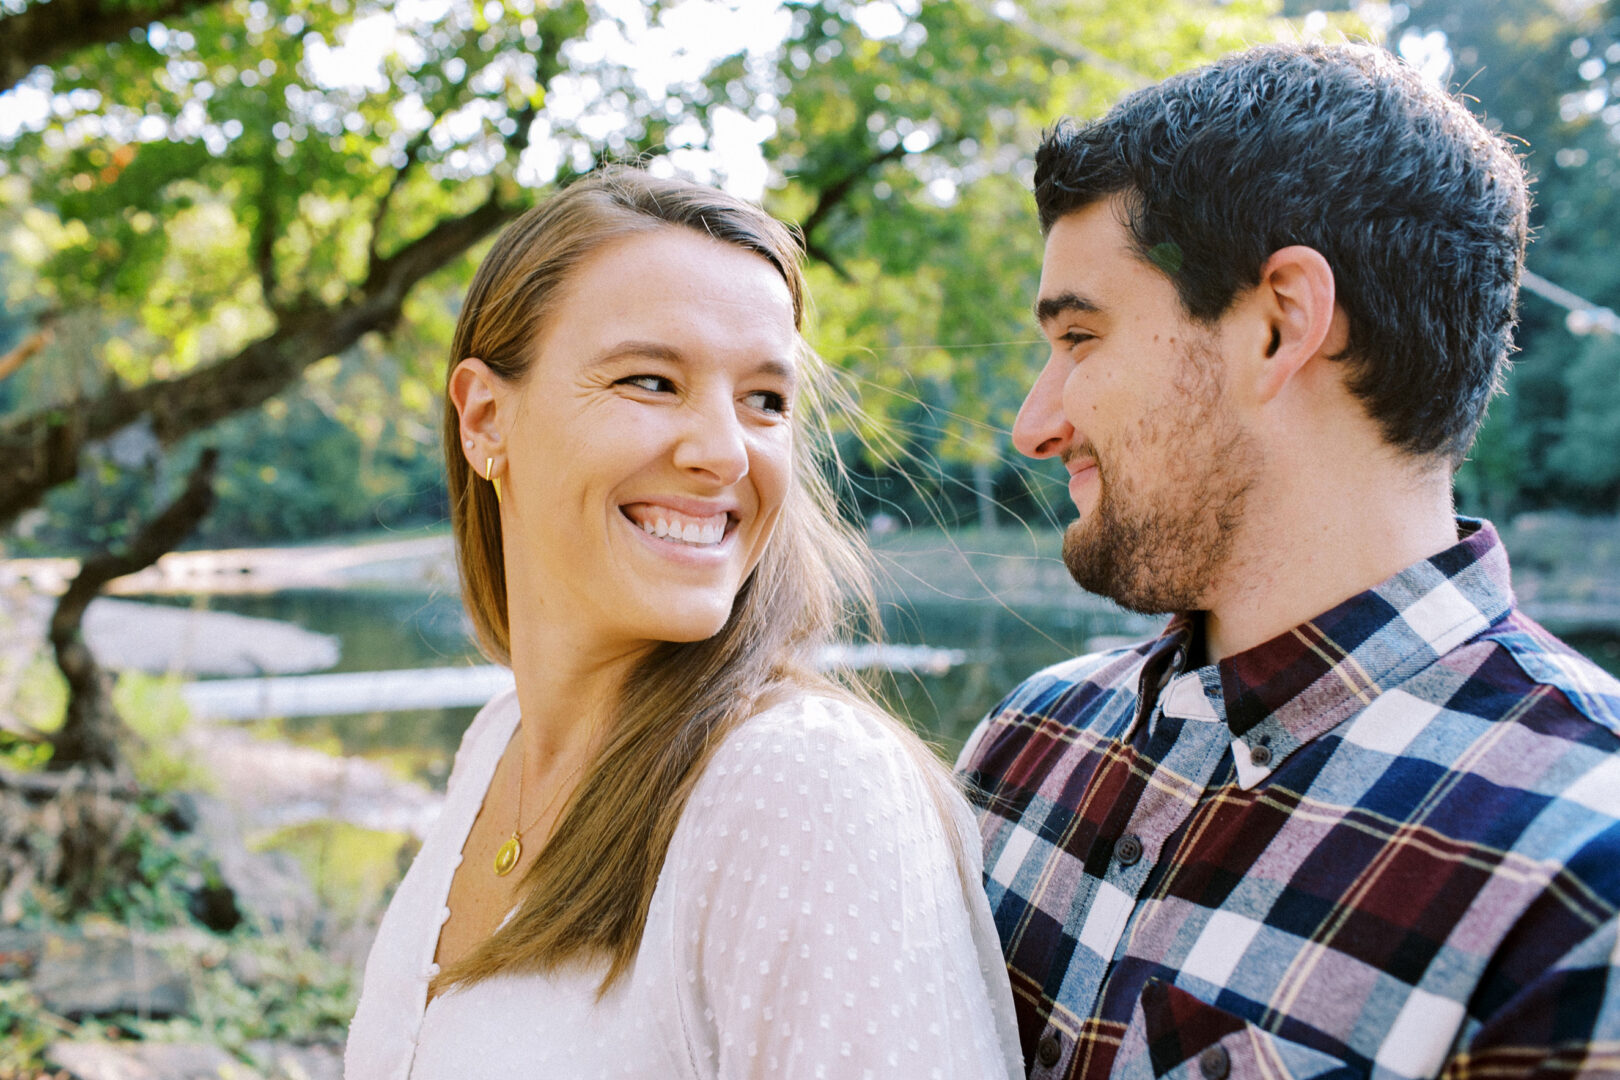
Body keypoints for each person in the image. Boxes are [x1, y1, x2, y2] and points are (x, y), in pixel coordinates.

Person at [957, 42, 1620, 1079]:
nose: (1034, 425)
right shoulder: (1022, 749)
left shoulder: (1584, 877)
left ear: (1279, 325)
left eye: (1080, 337)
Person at [344, 167, 1022, 1079]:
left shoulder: (802, 788)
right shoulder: (491, 746)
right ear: (486, 416)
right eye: (651, 381)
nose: (722, 451)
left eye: (765, 400)